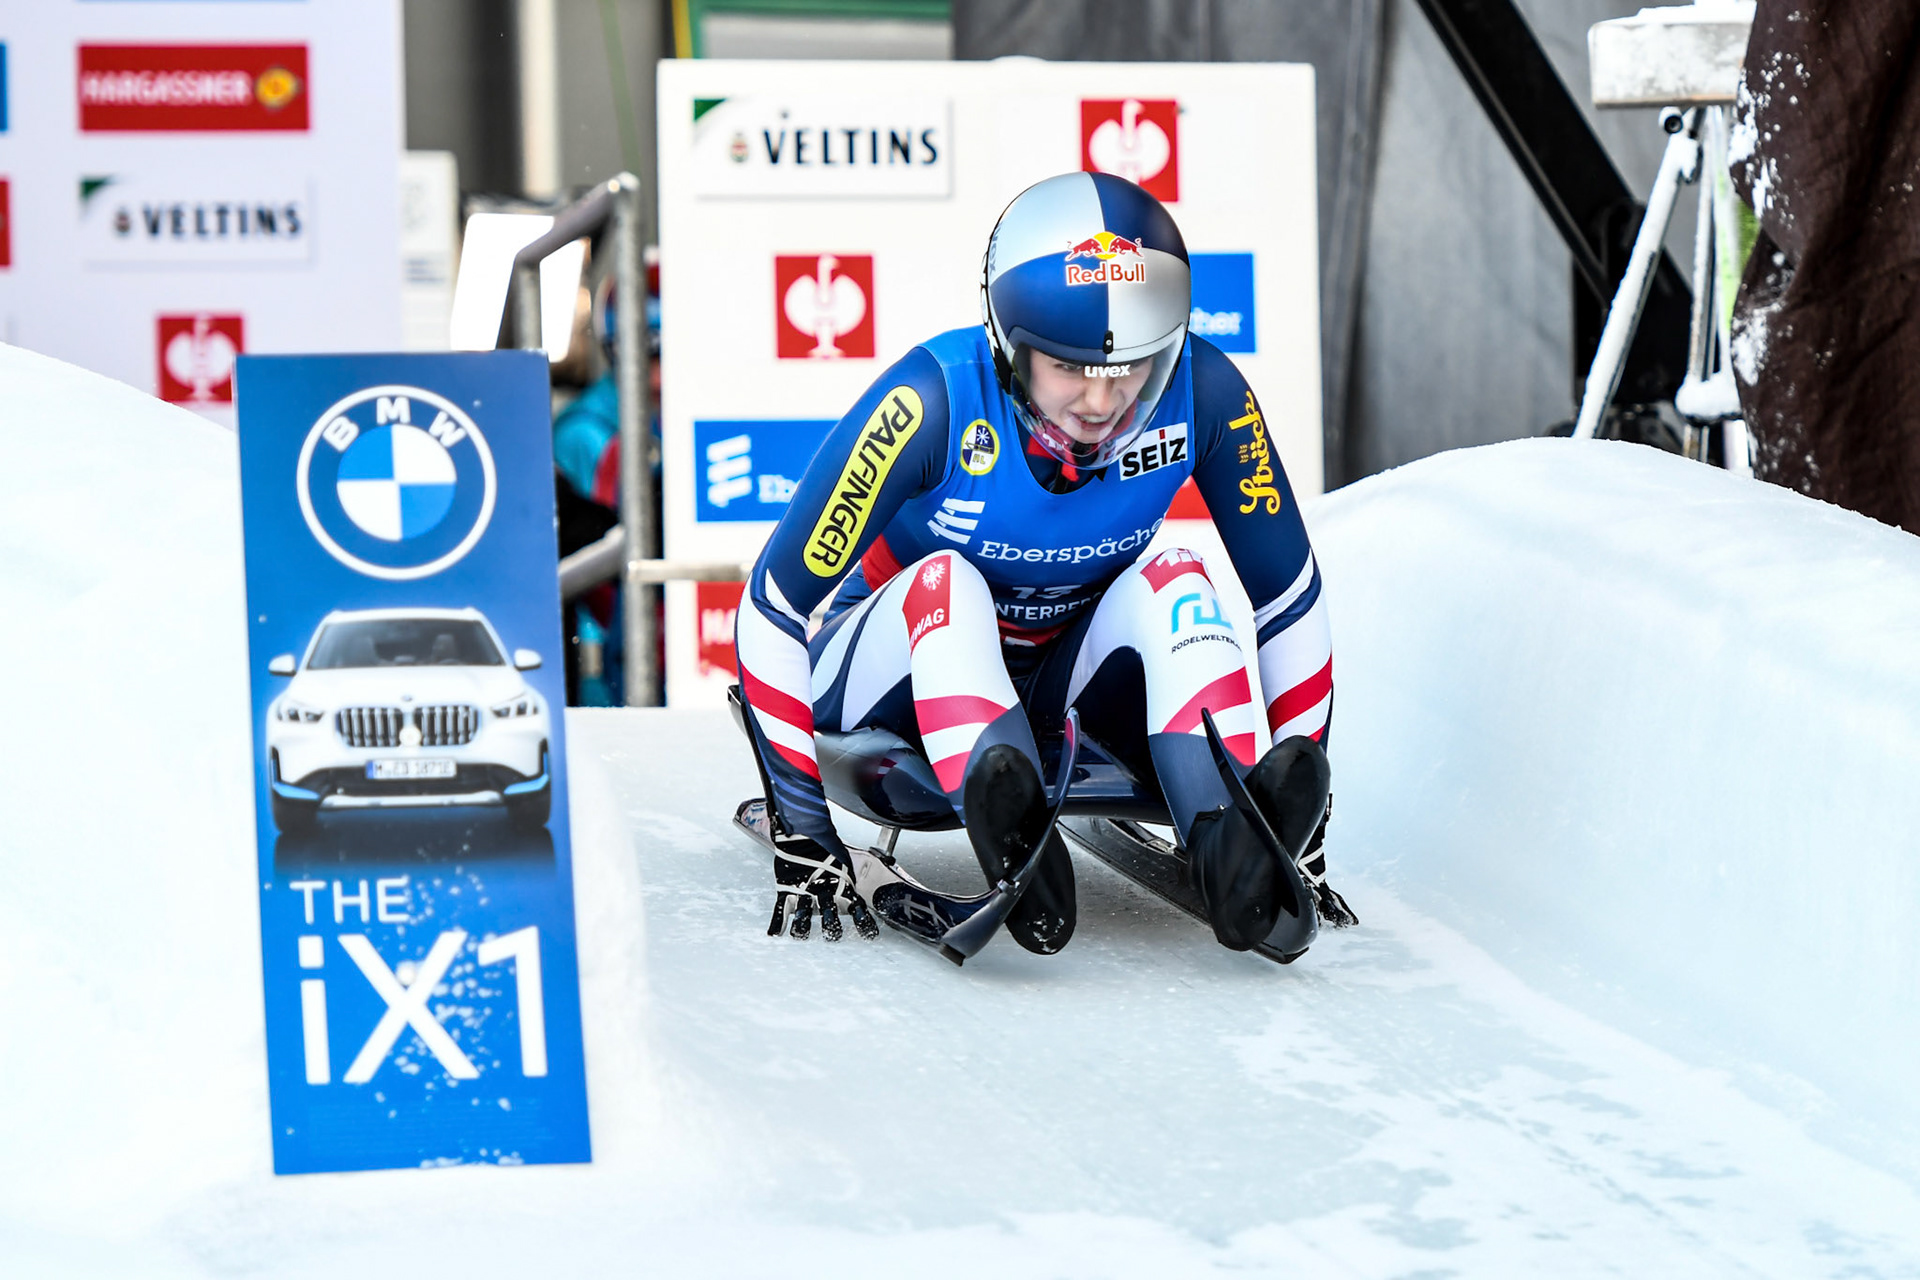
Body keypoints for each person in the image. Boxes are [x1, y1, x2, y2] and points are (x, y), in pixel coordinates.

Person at [735, 172, 1353, 957]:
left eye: (1130, 368)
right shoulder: (930, 402)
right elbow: (772, 606)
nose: (1101, 401)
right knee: (948, 583)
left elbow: (1289, 598)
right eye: (1070, 368)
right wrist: (804, 827)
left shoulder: (1208, 392)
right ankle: (1014, 834)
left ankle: (1233, 838)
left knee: (1178, 574)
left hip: (1056, 678)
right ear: (1009, 349)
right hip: (886, 679)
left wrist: (1304, 834)